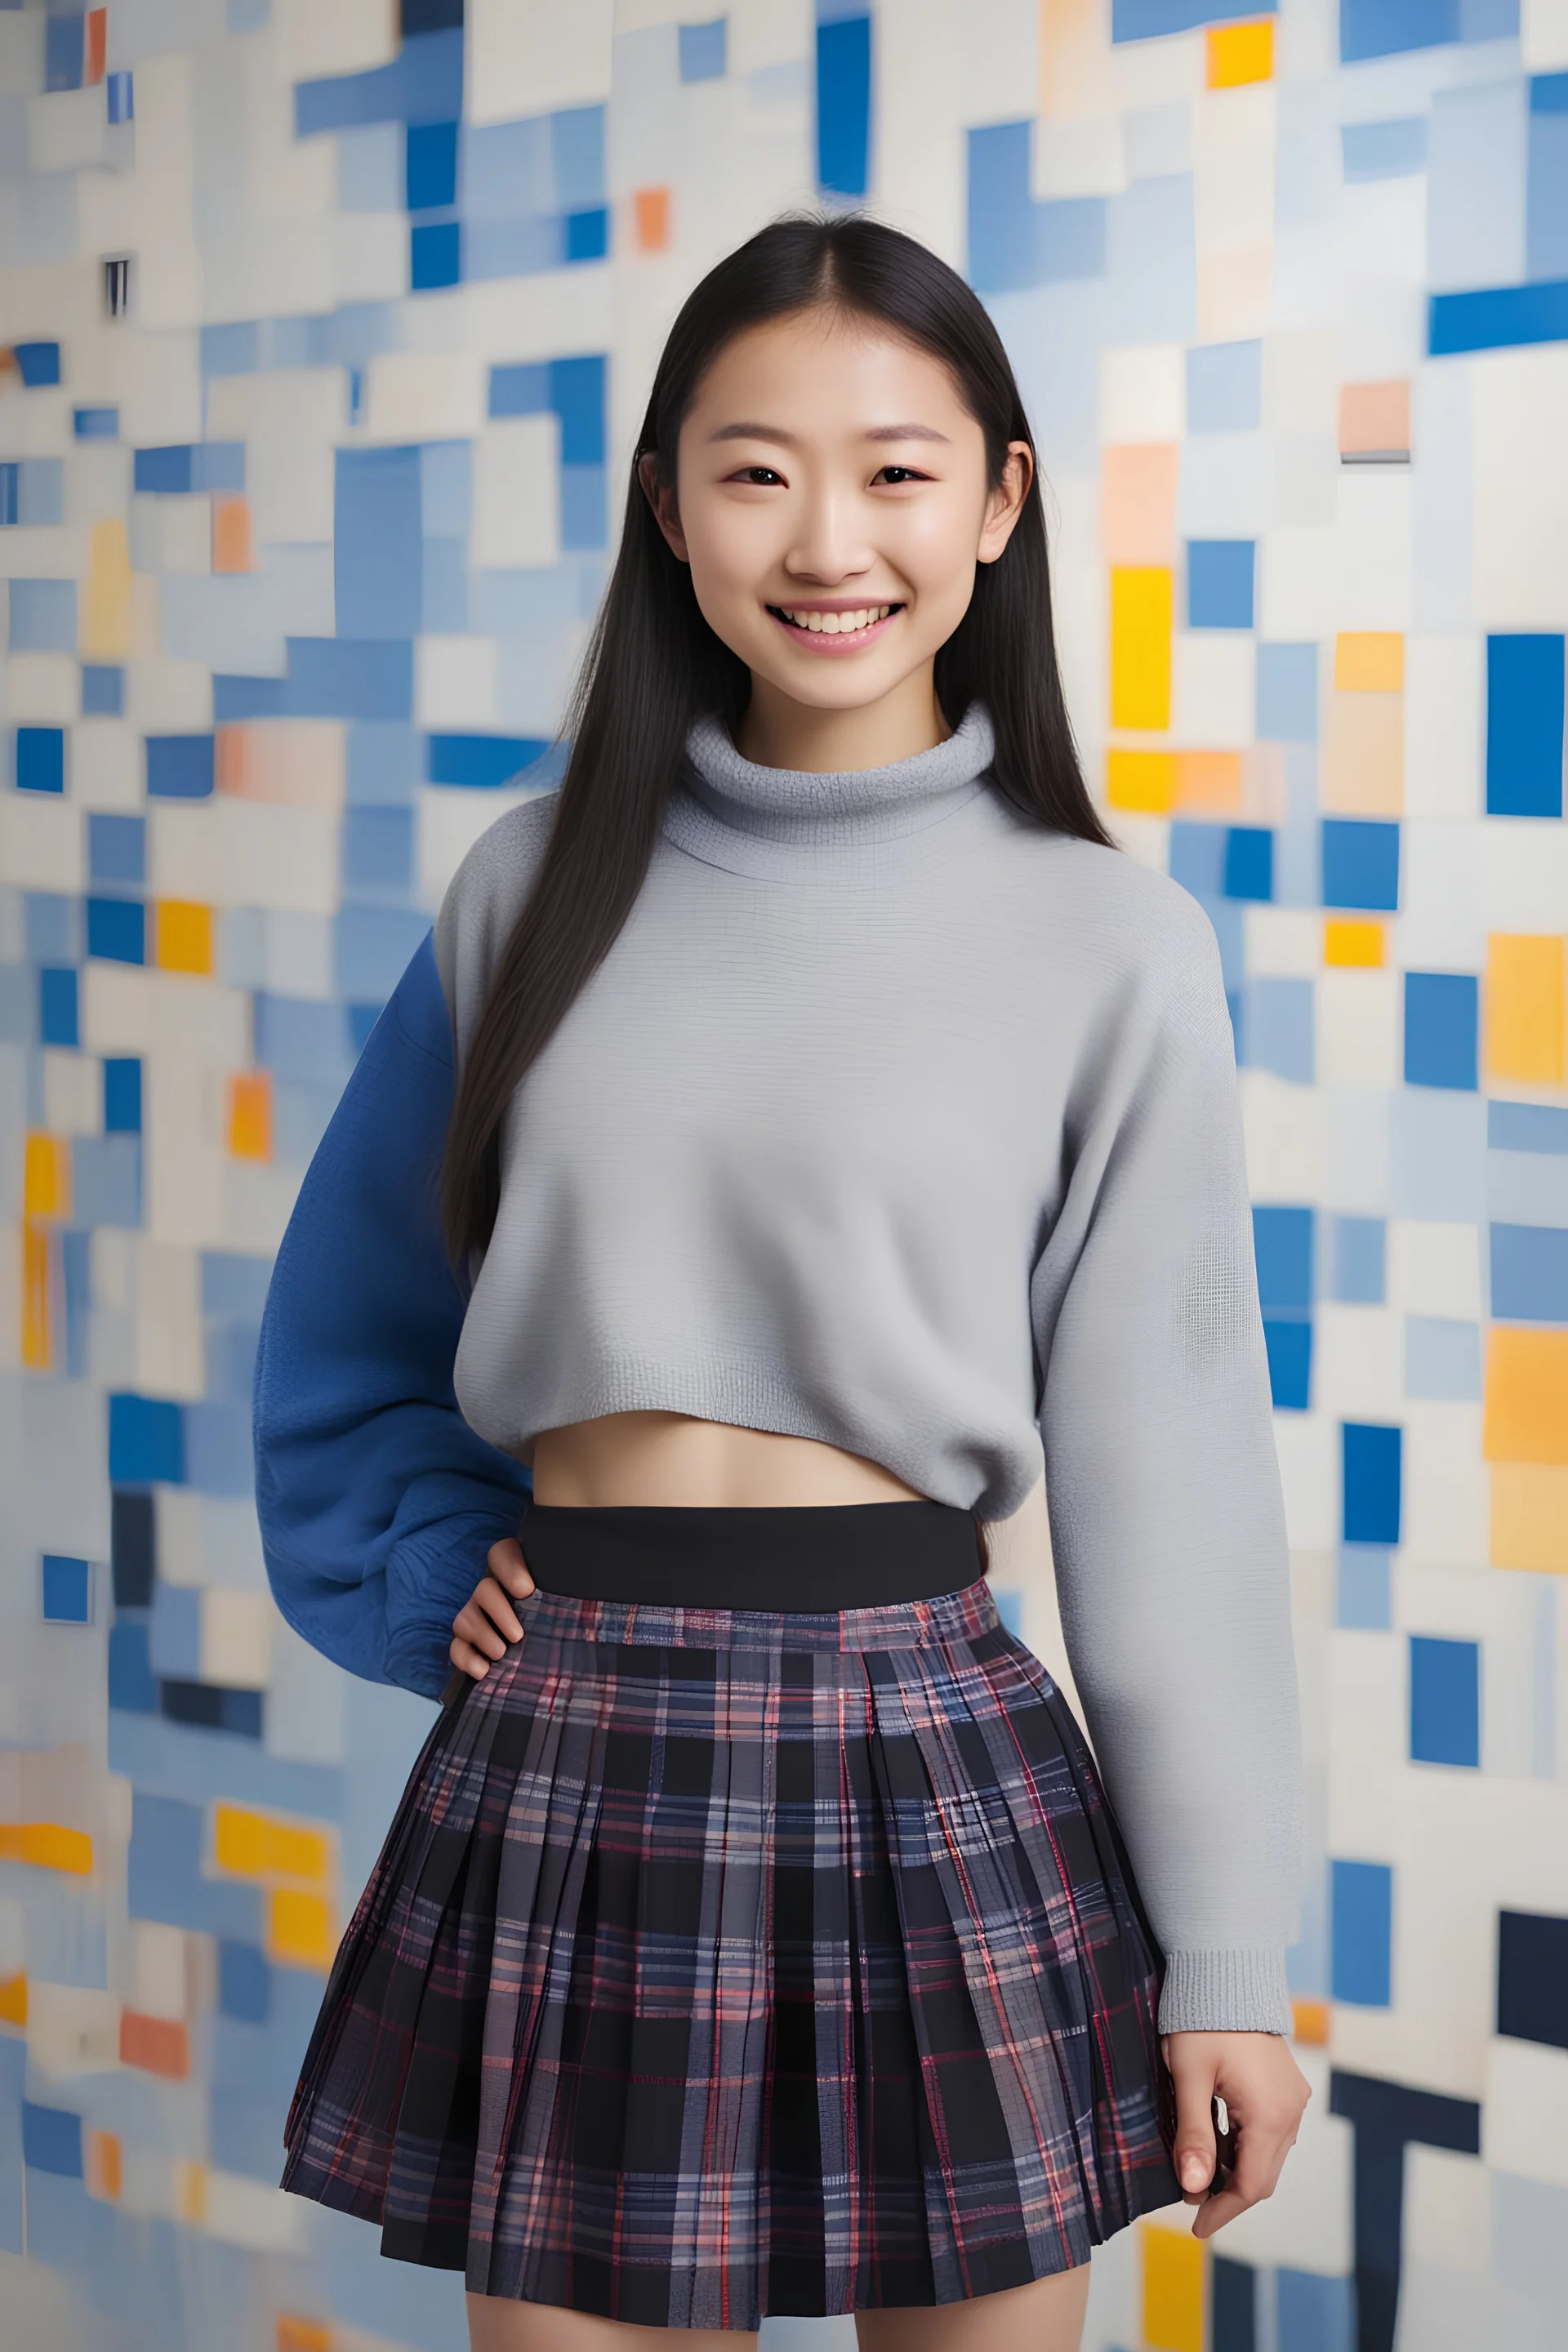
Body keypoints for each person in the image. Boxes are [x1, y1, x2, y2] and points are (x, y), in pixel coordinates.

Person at [254, 210, 1311, 2351]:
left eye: (900, 468)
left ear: (1003, 500)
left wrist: (1226, 1975)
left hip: (937, 1752)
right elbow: (351, 1336)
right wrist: (418, 1557)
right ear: (666, 506)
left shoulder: (1111, 945)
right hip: (573, 1753)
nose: (831, 535)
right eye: (756, 469)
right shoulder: (528, 888)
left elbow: (1174, 1496)